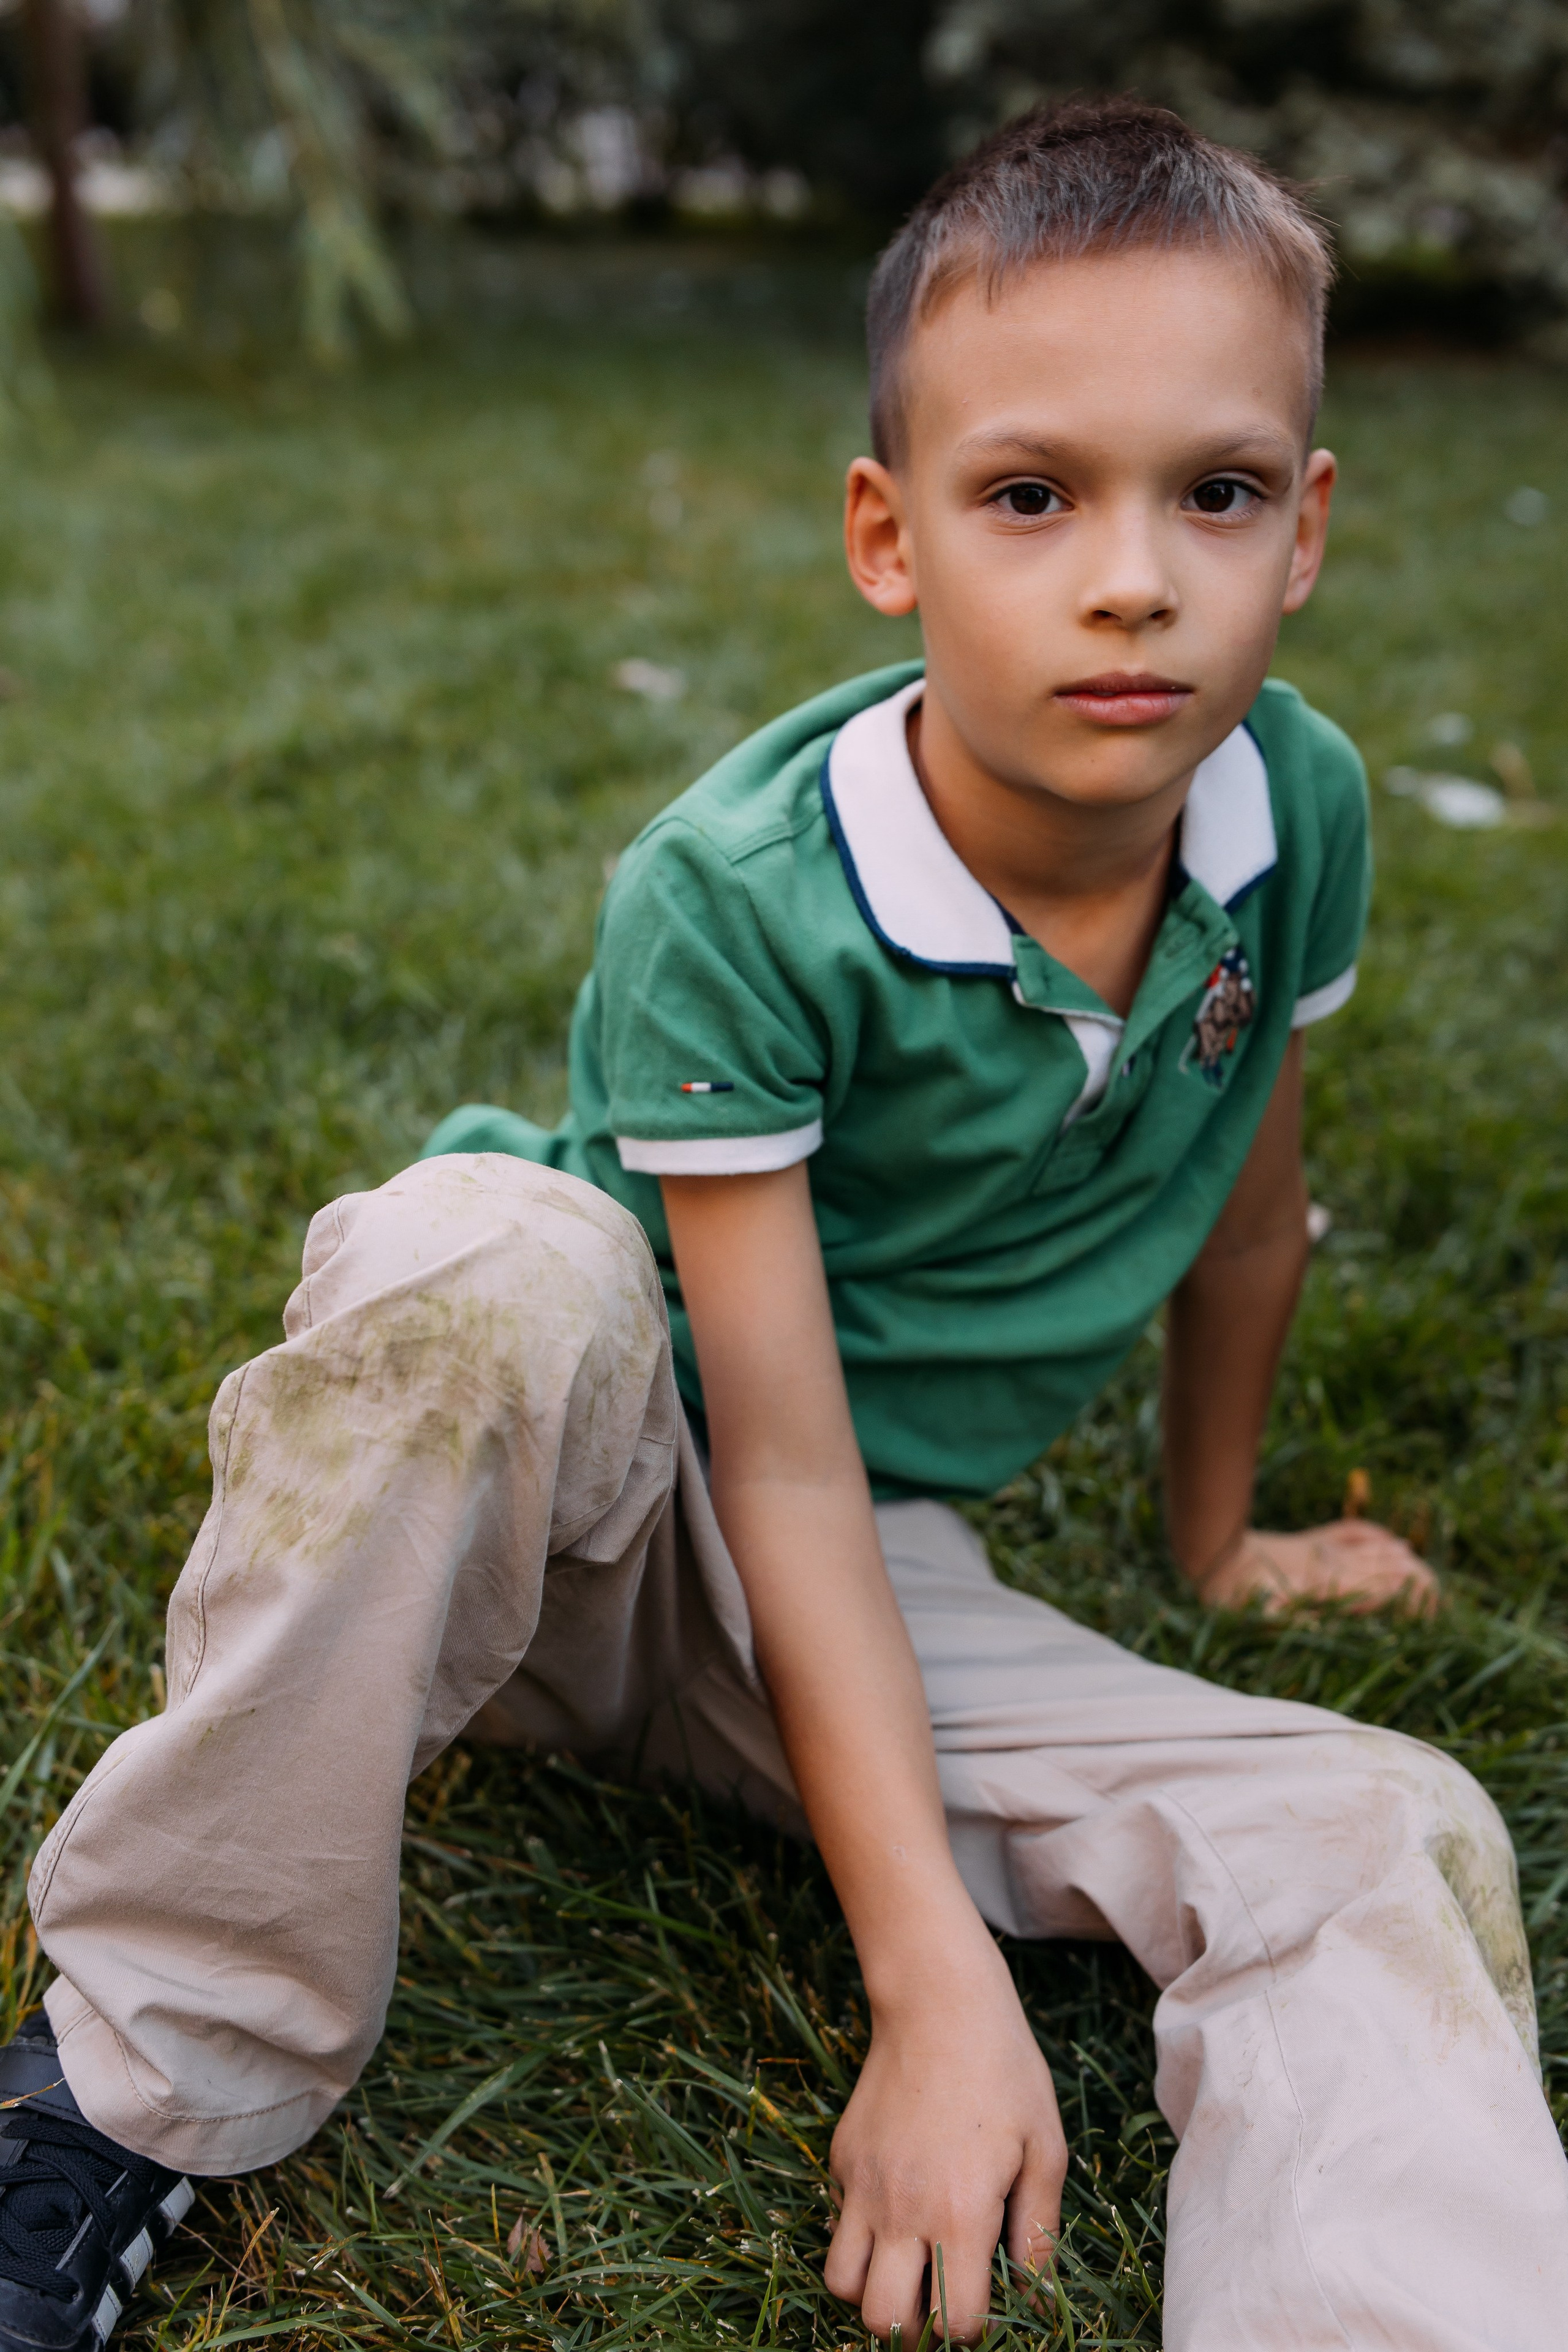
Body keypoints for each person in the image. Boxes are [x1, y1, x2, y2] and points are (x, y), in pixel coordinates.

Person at [0, 97, 1563, 2352]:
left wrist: (1218, 1545)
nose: (1134, 575)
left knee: (1382, 1826)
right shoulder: (738, 892)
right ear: (889, 533)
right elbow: (771, 1446)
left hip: (860, 1589)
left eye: (1213, 492)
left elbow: (1251, 1206)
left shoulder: (1288, 804)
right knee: (487, 1272)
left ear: (1305, 528)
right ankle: (136, 2076)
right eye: (1031, 495)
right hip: (596, 1488)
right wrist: (929, 1989)